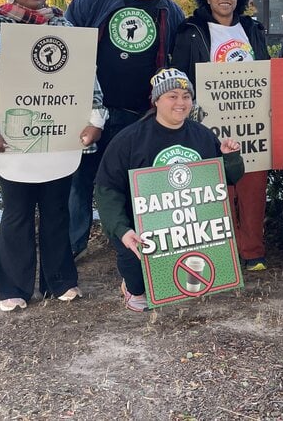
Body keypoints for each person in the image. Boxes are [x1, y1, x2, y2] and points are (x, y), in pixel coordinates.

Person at [0, 0, 106, 312]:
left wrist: (94, 119)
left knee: (58, 211)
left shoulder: (64, 28)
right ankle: (14, 288)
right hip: (10, 142)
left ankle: (61, 282)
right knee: (17, 214)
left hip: (59, 138)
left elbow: (87, 79)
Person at [64, 0, 185, 260]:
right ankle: (73, 244)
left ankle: (133, 244)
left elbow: (179, 57)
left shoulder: (171, 11)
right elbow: (67, 30)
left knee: (137, 182)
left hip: (139, 114)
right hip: (92, 111)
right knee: (80, 179)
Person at [94, 68, 244, 312]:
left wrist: (230, 158)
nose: (181, 103)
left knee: (189, 286)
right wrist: (122, 230)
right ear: (156, 100)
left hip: (190, 227)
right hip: (144, 230)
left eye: (186, 96)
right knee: (142, 287)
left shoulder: (202, 135)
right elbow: (106, 189)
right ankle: (132, 285)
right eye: (172, 96)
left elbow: (230, 178)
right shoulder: (129, 139)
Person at [169, 0, 271, 271]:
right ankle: (221, 251)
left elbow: (265, 69)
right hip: (209, 121)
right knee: (217, 186)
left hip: (252, 120)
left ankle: (252, 251)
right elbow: (183, 76)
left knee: (253, 186)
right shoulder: (190, 29)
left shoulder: (252, 28)